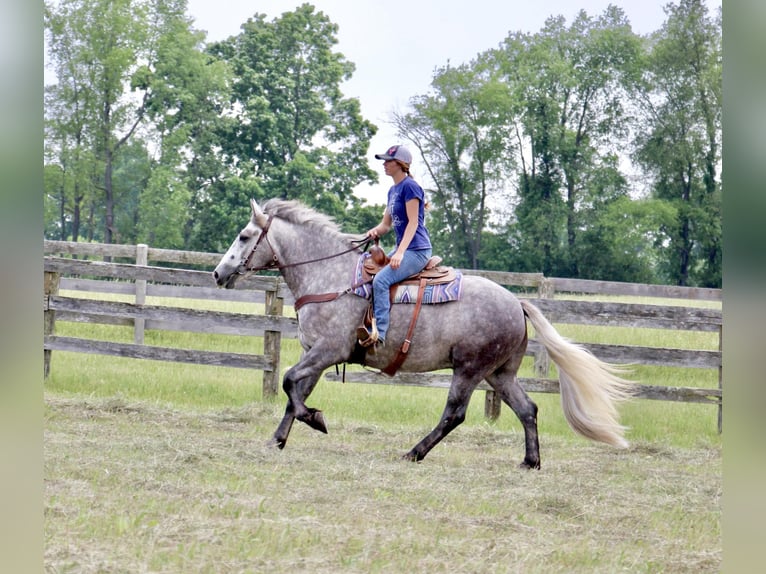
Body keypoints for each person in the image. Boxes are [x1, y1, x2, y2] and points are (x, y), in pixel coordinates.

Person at [358, 144, 432, 348]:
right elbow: (385, 225)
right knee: (367, 270)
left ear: (400, 164)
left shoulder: (410, 187)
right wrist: (372, 232)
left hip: (417, 250)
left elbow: (413, 223)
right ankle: (366, 321)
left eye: (388, 161)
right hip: (404, 248)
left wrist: (399, 252)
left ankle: (379, 334)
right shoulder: (392, 191)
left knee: (381, 281)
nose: (384, 164)